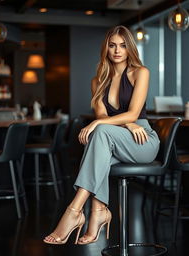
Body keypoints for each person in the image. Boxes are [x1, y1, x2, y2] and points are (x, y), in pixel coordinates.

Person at [43, 25, 160, 245]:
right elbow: (105, 117)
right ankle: (99, 211)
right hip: (116, 138)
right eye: (112, 45)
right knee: (101, 142)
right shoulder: (97, 81)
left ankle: (74, 211)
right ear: (106, 48)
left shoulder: (140, 72)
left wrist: (122, 122)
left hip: (142, 140)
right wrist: (125, 124)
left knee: (101, 132)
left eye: (123, 46)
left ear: (130, 49)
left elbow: (132, 113)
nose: (117, 50)